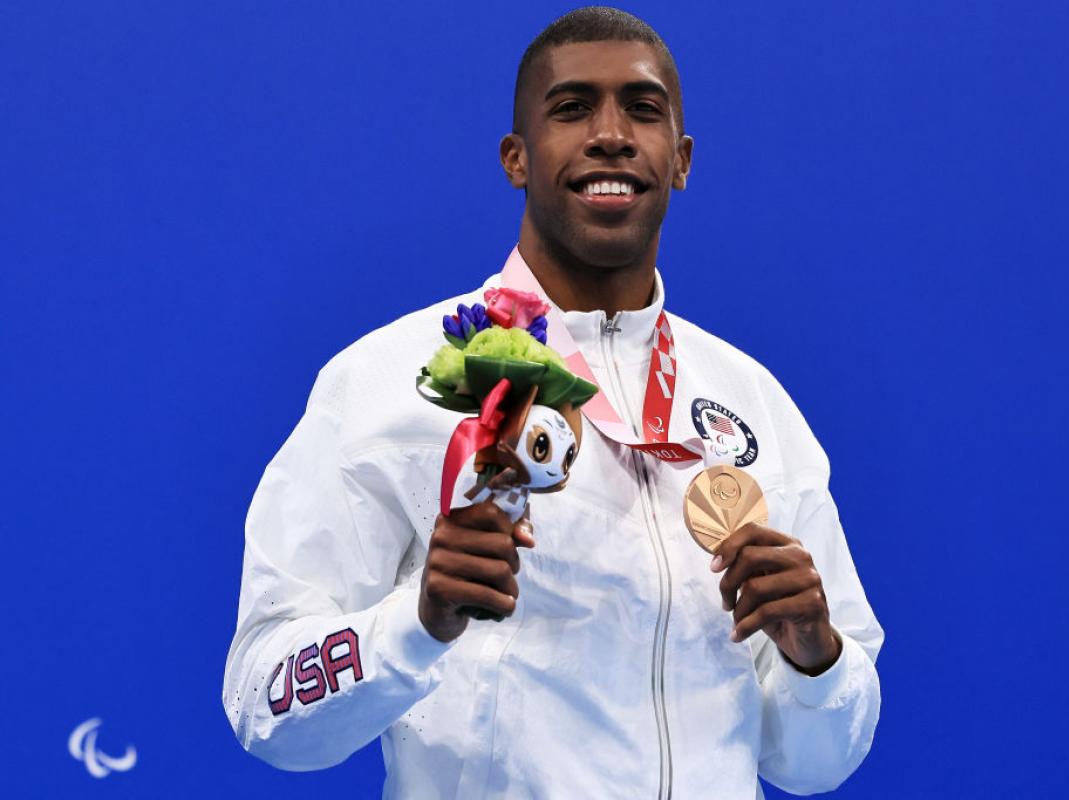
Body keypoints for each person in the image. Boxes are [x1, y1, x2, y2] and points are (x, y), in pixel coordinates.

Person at [222, 7, 883, 798]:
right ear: (516, 158)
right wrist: (417, 623)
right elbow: (263, 702)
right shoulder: (389, 381)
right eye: (571, 109)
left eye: (643, 109)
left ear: (681, 158)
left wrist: (815, 655)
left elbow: (818, 763)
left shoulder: (752, 404)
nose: (610, 134)